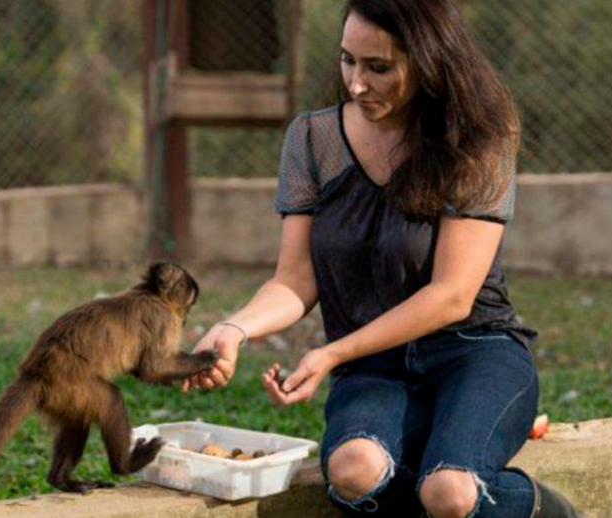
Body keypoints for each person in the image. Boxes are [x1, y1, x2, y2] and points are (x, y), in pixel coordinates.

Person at [183, 1, 584, 517]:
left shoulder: (480, 138)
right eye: (348, 60)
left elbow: (452, 297)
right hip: (374, 369)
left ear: (429, 61)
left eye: (378, 68)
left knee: (450, 493)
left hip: (474, 353)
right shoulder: (312, 139)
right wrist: (234, 328)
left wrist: (330, 353)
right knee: (354, 472)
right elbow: (296, 278)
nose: (354, 84)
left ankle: (541, 510)